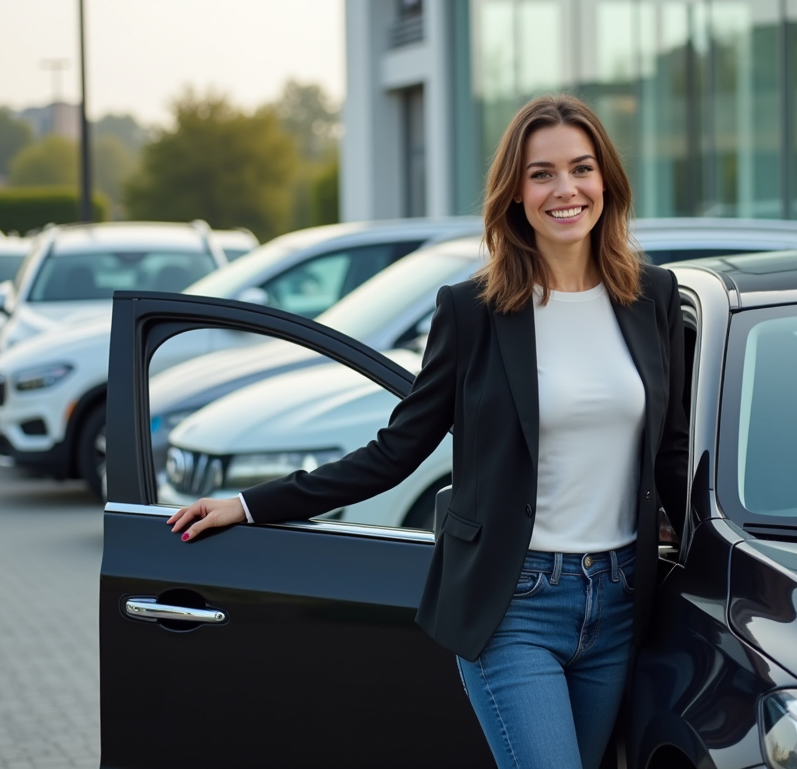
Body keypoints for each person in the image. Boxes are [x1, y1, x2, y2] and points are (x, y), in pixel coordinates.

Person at [166, 93, 689, 769]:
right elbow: (397, 450)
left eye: (581, 168)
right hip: (514, 605)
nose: (566, 189)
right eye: (541, 174)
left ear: (606, 182)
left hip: (620, 599)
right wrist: (247, 504)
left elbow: (672, 450)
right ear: (515, 193)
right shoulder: (473, 311)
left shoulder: (652, 297)